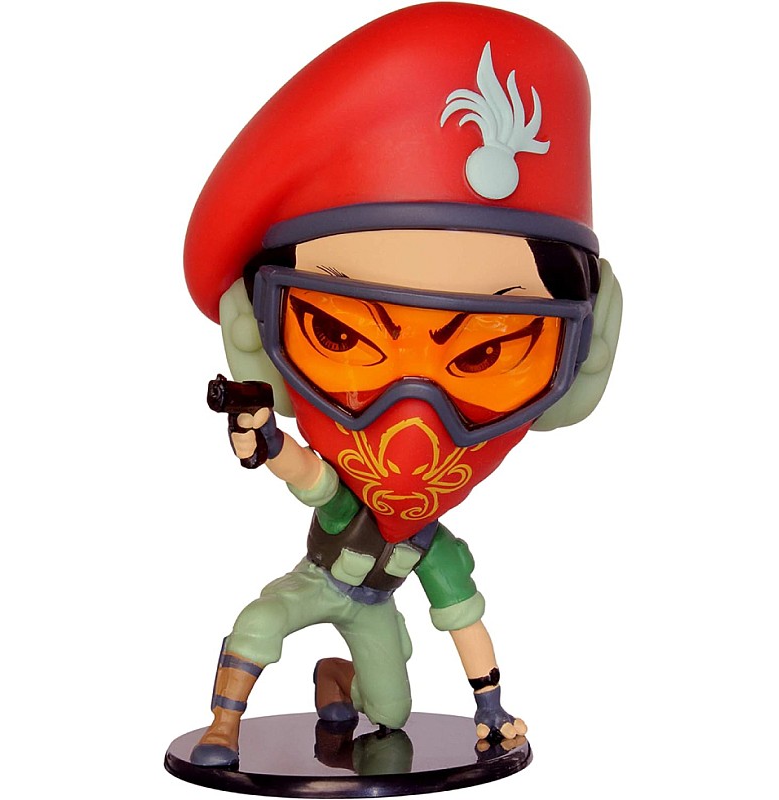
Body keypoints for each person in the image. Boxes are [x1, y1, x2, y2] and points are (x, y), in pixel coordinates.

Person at [182, 3, 622, 768]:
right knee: (259, 624)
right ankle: (223, 727)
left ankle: (335, 678)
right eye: (342, 336)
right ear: (257, 339)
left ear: (585, 359)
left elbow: (466, 625)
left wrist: (492, 709)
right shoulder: (346, 505)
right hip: (316, 583)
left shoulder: (433, 549)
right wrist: (260, 438)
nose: (414, 428)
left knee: (389, 714)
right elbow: (305, 472)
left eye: (488, 352)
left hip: (374, 610)